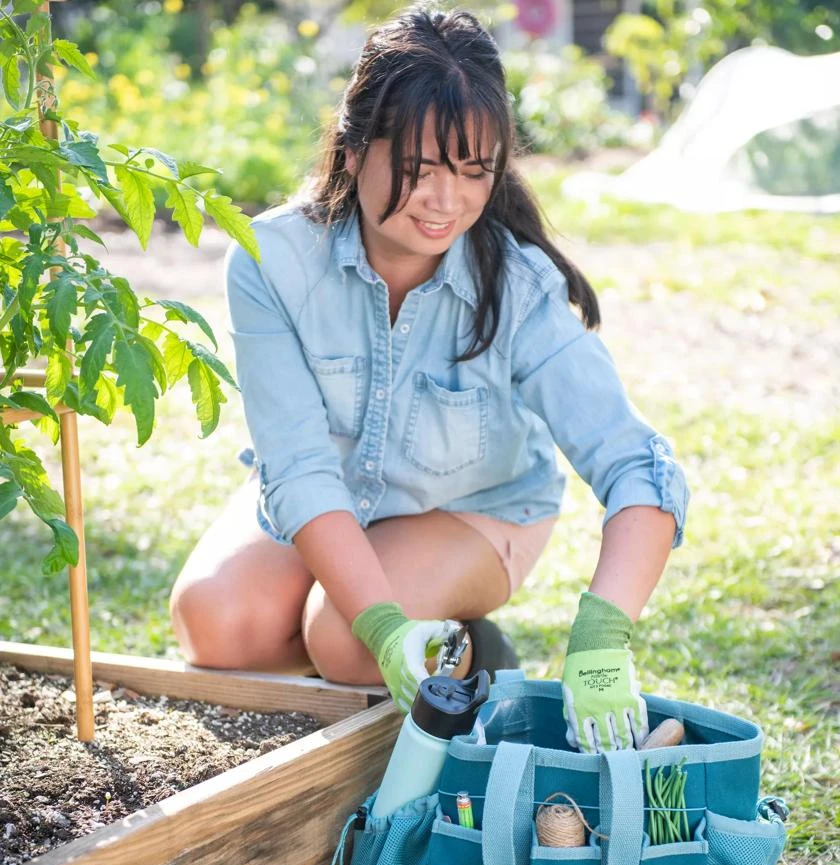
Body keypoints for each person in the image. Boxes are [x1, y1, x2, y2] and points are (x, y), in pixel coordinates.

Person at [169, 5, 688, 750]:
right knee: (215, 624)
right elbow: (300, 467)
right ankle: (409, 643)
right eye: (420, 169)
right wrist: (385, 624)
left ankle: (463, 652)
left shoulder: (518, 288)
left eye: (473, 170)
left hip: (474, 511)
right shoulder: (272, 261)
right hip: (340, 490)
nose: (447, 202)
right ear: (354, 151)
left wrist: (603, 633)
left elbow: (637, 464)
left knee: (340, 643)